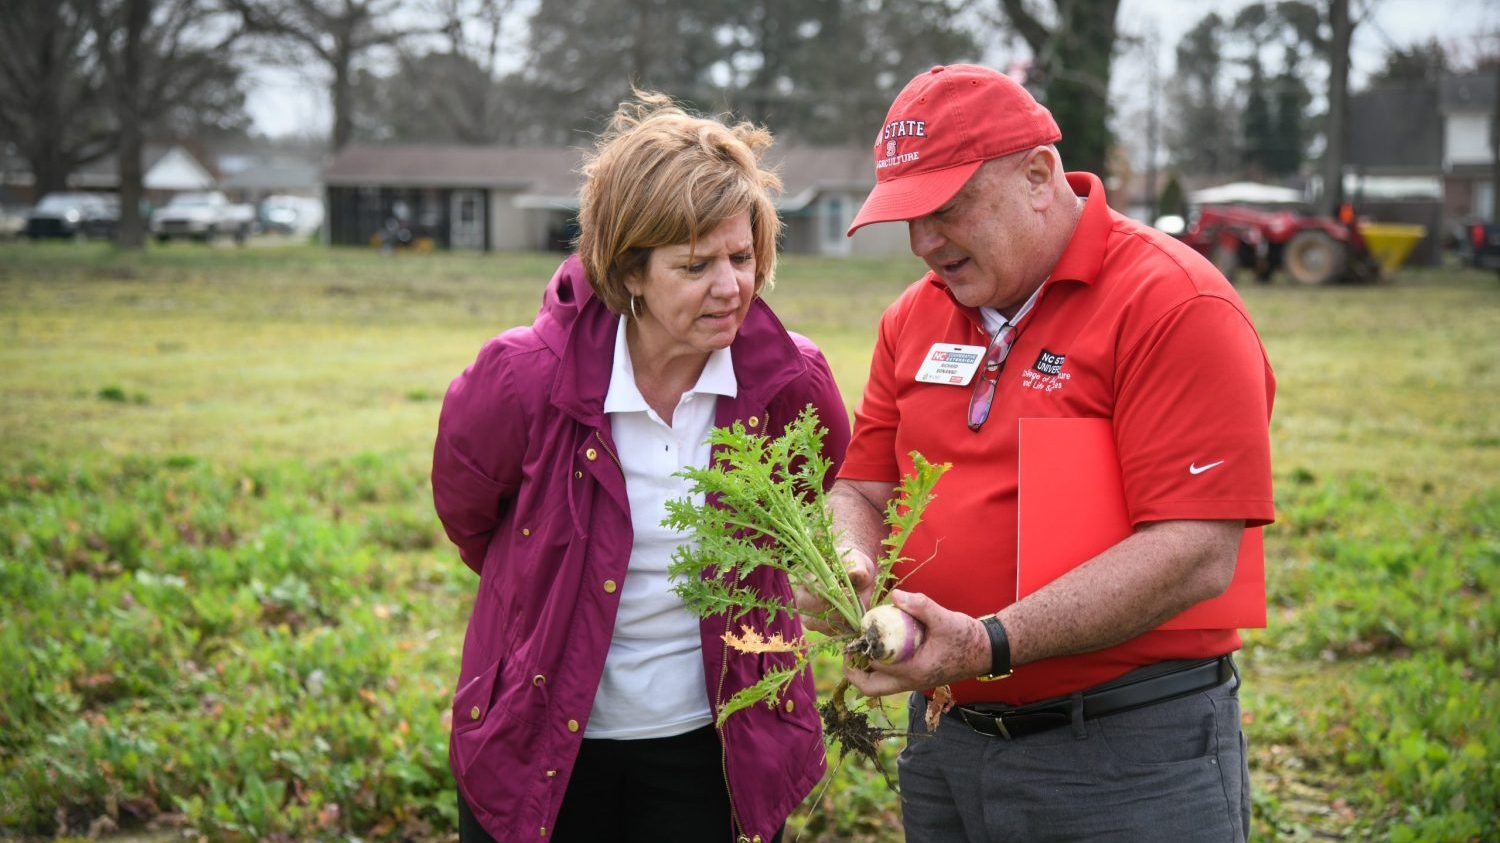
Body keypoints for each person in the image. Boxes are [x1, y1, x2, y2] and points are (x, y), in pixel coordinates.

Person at [815, 64, 1275, 841]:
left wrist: (990, 642)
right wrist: (847, 560)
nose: (925, 242)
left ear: (1037, 175)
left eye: (948, 207)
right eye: (908, 218)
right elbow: (863, 488)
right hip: (947, 742)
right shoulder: (915, 318)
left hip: (1125, 754)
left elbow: (1197, 550)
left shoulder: (1170, 303)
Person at [431, 92, 849, 843]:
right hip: (541, 749)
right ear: (629, 272)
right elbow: (474, 522)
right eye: (695, 265)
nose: (731, 287)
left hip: (717, 749)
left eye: (742, 256)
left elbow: (809, 507)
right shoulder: (522, 381)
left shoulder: (790, 384)